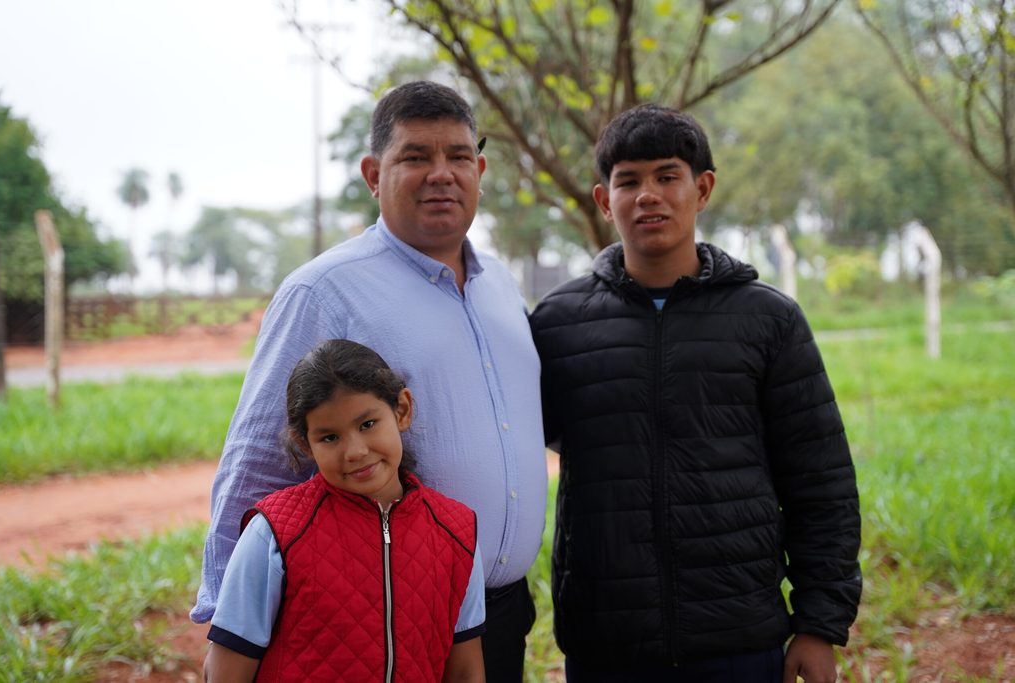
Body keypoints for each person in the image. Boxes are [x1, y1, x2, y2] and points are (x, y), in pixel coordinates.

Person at [192, 81, 545, 682]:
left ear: (480, 169)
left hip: (493, 616)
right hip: (376, 612)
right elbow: (257, 460)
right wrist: (230, 620)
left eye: (459, 156)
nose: (442, 174)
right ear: (373, 174)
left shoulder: (501, 289)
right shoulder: (324, 290)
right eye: (415, 156)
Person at [528, 104, 862, 682]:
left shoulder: (769, 319)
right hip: (607, 642)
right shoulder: (559, 324)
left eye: (667, 176)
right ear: (605, 201)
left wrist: (818, 623)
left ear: (702, 189)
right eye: (628, 181)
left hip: (739, 636)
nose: (648, 195)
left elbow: (821, 479)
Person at [203, 339, 486, 682]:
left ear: (402, 410)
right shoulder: (275, 533)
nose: (355, 451)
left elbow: (467, 670)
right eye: (330, 438)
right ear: (304, 443)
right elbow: (225, 672)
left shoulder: (456, 532)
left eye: (367, 424)